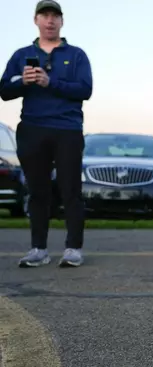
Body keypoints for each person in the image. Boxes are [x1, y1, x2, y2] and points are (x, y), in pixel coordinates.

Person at [0, 0, 92, 268]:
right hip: (32, 129)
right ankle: (38, 249)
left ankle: (73, 248)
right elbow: (4, 90)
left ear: (62, 22)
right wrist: (23, 82)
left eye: (55, 16)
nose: (50, 21)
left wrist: (51, 82)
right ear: (36, 20)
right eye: (45, 15)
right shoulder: (21, 55)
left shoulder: (76, 55)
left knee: (70, 189)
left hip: (67, 130)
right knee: (37, 191)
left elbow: (85, 90)